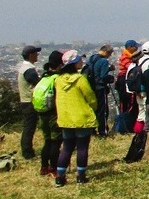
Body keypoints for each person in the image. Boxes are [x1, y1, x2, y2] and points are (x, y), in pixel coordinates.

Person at [53, 50, 98, 186]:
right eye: (79, 60)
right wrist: (93, 107)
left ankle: (60, 177)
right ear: (74, 63)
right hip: (81, 118)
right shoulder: (80, 79)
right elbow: (90, 97)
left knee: (66, 147)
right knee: (82, 147)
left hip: (65, 119)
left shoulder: (58, 80)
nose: (81, 62)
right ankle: (81, 176)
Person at [32, 50, 64, 176]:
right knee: (56, 141)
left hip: (42, 113)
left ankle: (44, 167)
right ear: (60, 64)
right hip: (53, 114)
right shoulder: (57, 79)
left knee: (47, 141)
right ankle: (54, 168)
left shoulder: (44, 76)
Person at [84, 44, 115, 137]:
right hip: (100, 88)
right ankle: (103, 131)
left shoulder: (92, 58)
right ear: (106, 52)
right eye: (109, 54)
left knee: (93, 109)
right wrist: (111, 78)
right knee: (103, 111)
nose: (109, 56)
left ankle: (92, 130)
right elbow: (103, 76)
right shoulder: (103, 61)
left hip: (91, 87)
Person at [17, 45, 42, 159]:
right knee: (29, 127)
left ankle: (27, 151)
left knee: (29, 127)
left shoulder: (24, 67)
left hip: (25, 100)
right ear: (31, 55)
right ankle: (27, 152)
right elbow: (38, 83)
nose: (37, 55)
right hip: (29, 101)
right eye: (36, 53)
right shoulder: (29, 70)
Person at [115, 40, 140, 134]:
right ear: (130, 47)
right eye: (135, 47)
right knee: (125, 103)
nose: (136, 48)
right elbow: (130, 67)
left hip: (127, 78)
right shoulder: (125, 57)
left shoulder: (129, 56)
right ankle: (124, 125)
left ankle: (129, 123)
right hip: (124, 80)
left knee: (131, 103)